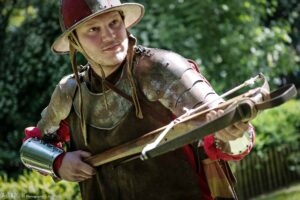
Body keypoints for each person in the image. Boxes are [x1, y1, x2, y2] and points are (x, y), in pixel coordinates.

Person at [20, 0, 254, 199]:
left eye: (114, 23)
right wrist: (59, 164)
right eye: (93, 29)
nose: (109, 36)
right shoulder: (70, 93)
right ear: (74, 41)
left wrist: (232, 132)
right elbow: (31, 149)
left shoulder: (163, 69)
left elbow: (224, 126)